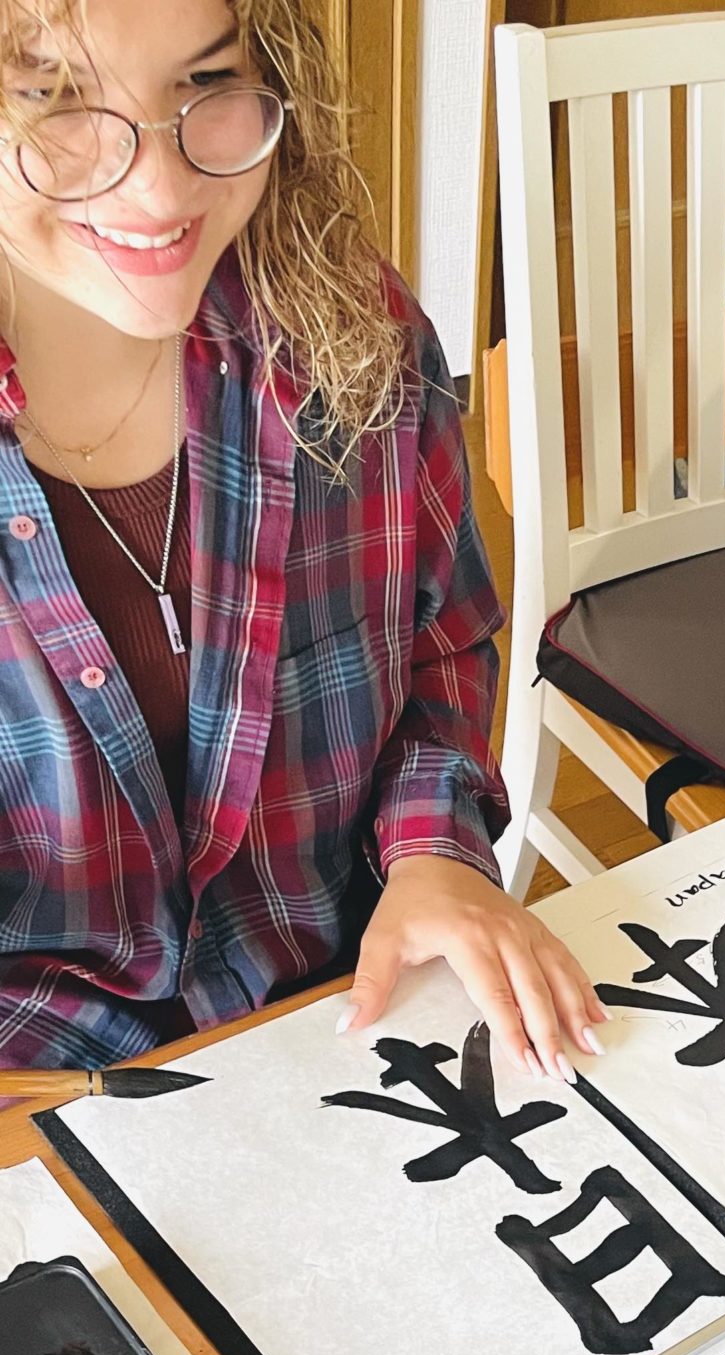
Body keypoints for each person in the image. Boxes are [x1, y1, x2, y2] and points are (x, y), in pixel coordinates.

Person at [0, 0, 601, 1077]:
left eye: (205, 85)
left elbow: (442, 642)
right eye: (57, 101)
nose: (159, 189)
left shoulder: (352, 336)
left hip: (343, 1013)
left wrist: (432, 851)